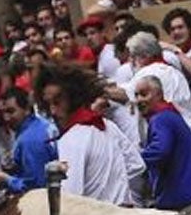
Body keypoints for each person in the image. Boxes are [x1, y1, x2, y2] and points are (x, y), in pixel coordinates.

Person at [36, 60, 141, 204]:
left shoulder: (71, 140)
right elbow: (136, 166)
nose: (53, 111)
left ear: (73, 97)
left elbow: (70, 197)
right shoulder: (108, 126)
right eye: (48, 104)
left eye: (58, 101)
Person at [134, 73, 191, 210]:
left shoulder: (161, 119)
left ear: (159, 94)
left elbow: (160, 151)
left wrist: (134, 159)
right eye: (136, 95)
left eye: (144, 94)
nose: (139, 100)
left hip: (179, 196)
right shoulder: (171, 114)